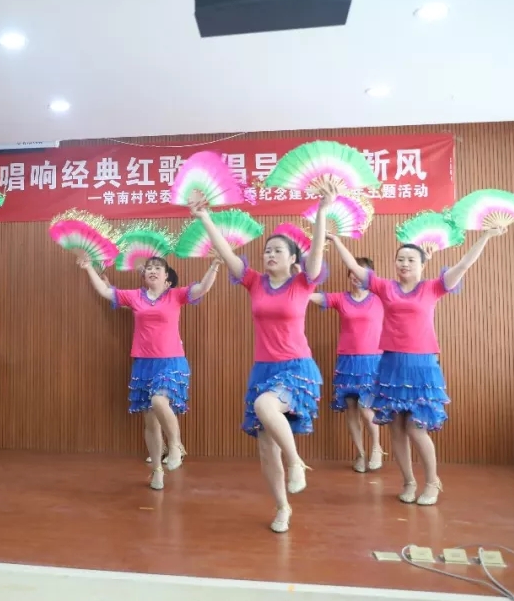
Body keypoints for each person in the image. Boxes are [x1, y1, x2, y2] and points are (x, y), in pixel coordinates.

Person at [328, 227, 505, 505]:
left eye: (411, 259)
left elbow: (464, 265)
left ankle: (432, 482)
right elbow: (353, 266)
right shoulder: (385, 287)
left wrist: (485, 237)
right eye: (400, 259)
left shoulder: (432, 287)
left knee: (415, 428)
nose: (405, 263)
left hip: (422, 366)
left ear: (423, 264)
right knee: (396, 428)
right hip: (391, 365)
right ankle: (409, 482)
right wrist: (336, 241)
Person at [197, 185, 335, 533]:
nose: (270, 254)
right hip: (263, 370)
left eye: (278, 250)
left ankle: (297, 463)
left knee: (264, 406)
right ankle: (282, 507)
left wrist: (321, 212)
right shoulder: (254, 282)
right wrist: (204, 217)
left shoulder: (303, 282)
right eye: (267, 250)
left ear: (292, 259)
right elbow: (226, 252)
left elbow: (317, 252)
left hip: (296, 368)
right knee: (265, 446)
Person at [79, 255, 220, 490]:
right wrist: (88, 269)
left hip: (171, 362)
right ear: (144, 275)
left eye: (158, 268)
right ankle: (156, 470)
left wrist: (214, 265)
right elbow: (105, 292)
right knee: (151, 421)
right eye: (149, 268)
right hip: (144, 364)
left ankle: (175, 444)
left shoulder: (175, 295)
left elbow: (202, 288)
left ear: (166, 277)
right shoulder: (135, 296)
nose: (153, 270)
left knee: (158, 401)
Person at [309, 257, 384, 472]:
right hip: (347, 361)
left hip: (373, 361)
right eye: (353, 272)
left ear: (370, 276)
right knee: (351, 408)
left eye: (362, 272)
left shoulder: (381, 298)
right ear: (349, 275)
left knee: (365, 408)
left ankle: (377, 447)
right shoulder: (341, 299)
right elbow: (310, 296)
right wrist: (297, 282)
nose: (356, 276)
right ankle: (360, 454)